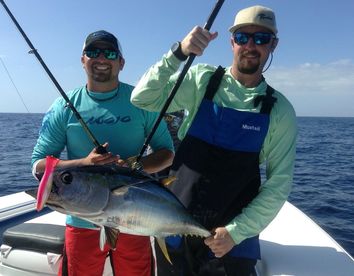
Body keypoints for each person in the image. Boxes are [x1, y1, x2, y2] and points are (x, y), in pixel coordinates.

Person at [131, 5, 297, 276]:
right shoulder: (202, 79)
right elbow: (142, 97)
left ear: (273, 45)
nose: (251, 45)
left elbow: (278, 185)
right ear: (232, 42)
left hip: (232, 243)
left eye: (261, 38)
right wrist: (179, 53)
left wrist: (235, 232)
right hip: (174, 229)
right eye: (243, 37)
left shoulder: (280, 110)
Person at [31, 30, 174, 276]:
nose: (101, 58)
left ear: (121, 62)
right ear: (82, 59)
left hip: (133, 218)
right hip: (81, 221)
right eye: (92, 52)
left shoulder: (142, 100)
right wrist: (84, 162)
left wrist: (136, 167)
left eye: (109, 52)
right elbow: (38, 166)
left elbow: (166, 152)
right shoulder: (64, 106)